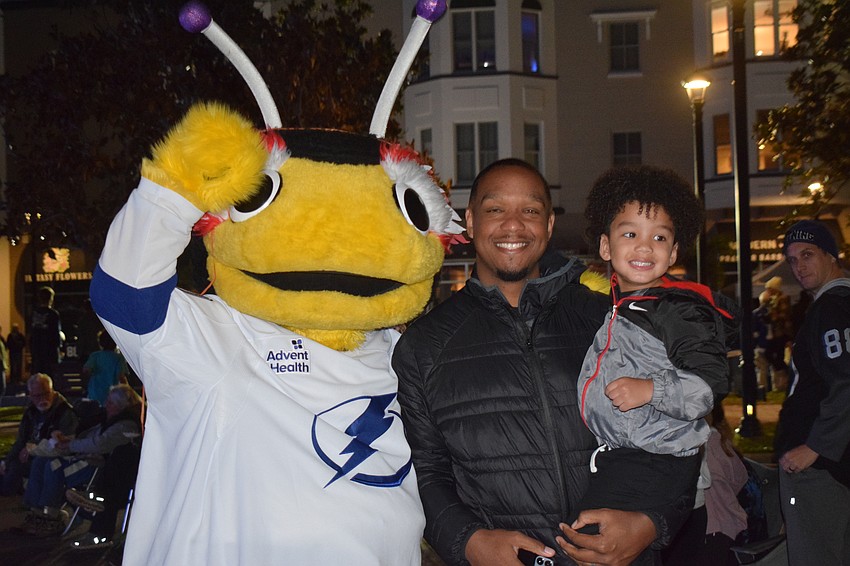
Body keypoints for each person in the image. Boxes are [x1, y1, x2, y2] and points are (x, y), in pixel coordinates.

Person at [393, 159, 693, 566]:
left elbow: (677, 427)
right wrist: (468, 541)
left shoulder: (610, 320)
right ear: (470, 221)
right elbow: (424, 471)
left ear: (549, 225)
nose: (513, 225)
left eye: (530, 211)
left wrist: (651, 522)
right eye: (495, 209)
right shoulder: (425, 346)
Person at [574, 166, 730, 562]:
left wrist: (651, 390)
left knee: (590, 542)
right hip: (624, 454)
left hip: (656, 459)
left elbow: (709, 383)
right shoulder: (619, 305)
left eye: (659, 237)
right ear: (606, 247)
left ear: (674, 252)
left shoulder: (676, 309)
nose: (645, 247)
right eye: (630, 234)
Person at [774, 219, 850, 564]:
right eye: (792, 259)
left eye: (807, 255)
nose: (798, 266)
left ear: (831, 256)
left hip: (821, 467)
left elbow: (845, 380)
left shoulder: (832, 308)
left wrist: (816, 446)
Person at [17, 383, 143, 537]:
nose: (105, 405)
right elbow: (89, 438)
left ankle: (51, 515)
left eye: (110, 403)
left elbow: (99, 444)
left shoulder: (125, 425)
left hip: (98, 467)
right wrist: (67, 441)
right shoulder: (108, 420)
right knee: (40, 461)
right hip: (86, 459)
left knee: (53, 465)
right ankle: (36, 511)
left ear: (120, 406)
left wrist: (69, 444)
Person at [0, 374, 78, 495]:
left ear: (52, 391)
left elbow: (64, 444)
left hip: (47, 458)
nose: (43, 399)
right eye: (37, 396)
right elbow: (20, 440)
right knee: (7, 465)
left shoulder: (64, 412)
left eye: (46, 393)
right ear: (30, 395)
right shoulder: (31, 411)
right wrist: (6, 461)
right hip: (29, 456)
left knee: (14, 469)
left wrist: (32, 449)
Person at [81, 330, 128, 405]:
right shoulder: (118, 358)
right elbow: (121, 377)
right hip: (112, 396)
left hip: (95, 394)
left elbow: (86, 370)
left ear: (100, 343)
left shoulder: (95, 356)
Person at [28, 286, 62, 376]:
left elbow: (31, 332)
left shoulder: (33, 313)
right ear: (51, 298)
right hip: (50, 352)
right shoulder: (53, 314)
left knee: (37, 377)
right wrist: (59, 347)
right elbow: (56, 334)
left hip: (36, 351)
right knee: (49, 377)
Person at [6, 323, 26, 388]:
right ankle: (13, 379)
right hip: (13, 353)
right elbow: (8, 344)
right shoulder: (10, 335)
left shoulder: (20, 335)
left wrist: (18, 345)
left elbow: (24, 343)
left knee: (18, 366)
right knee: (13, 366)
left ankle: (18, 379)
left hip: (18, 353)